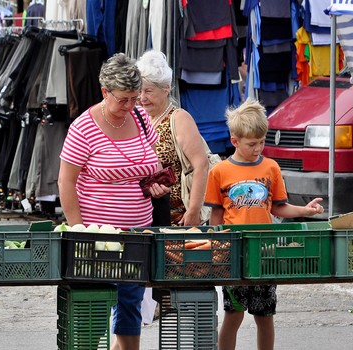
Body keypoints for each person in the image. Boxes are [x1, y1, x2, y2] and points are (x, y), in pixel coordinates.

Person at [58, 53, 171, 350]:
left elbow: (149, 166)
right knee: (94, 309)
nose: (131, 106)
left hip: (137, 234)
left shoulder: (141, 118)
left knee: (130, 307)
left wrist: (155, 185)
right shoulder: (84, 128)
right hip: (97, 238)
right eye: (123, 99)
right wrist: (78, 228)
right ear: (105, 91)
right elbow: (66, 181)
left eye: (135, 98)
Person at [204, 98, 324, 350]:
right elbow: (216, 215)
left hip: (266, 253)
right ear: (234, 141)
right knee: (233, 315)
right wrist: (216, 247)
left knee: (264, 315)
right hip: (234, 254)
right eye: (252, 144)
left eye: (262, 142)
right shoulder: (220, 171)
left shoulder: (271, 167)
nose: (258, 148)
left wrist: (306, 209)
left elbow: (279, 207)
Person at [136, 50, 210, 226]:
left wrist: (193, 211)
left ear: (166, 88)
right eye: (139, 91)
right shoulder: (137, 118)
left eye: (148, 91)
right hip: (145, 214)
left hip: (176, 217)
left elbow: (201, 165)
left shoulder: (178, 118)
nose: (142, 98)